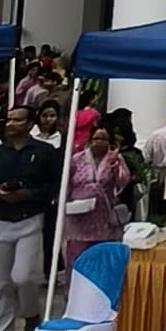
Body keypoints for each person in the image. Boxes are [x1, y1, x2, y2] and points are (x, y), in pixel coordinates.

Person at [0, 103, 60, 331]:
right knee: (1, 282)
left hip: (30, 217)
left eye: (16, 120)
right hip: (0, 218)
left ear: (28, 123)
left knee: (22, 276)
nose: (10, 124)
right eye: (9, 119)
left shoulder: (45, 152)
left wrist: (29, 193)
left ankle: (32, 317)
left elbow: (53, 186)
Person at [59, 105, 127, 263]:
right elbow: (66, 183)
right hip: (78, 217)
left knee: (101, 259)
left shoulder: (115, 159)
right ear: (90, 140)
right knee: (77, 257)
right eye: (95, 139)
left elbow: (123, 182)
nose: (99, 142)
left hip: (103, 217)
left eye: (103, 139)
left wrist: (115, 165)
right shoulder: (76, 159)